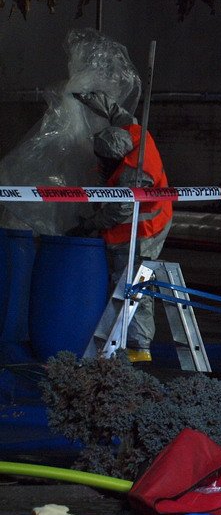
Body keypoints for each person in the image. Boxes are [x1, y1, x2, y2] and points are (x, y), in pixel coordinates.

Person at [72, 92, 173, 364]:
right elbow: (117, 111)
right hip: (137, 219)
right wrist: (92, 97)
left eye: (105, 162)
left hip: (145, 228)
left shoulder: (135, 174)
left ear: (117, 158)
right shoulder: (134, 132)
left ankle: (139, 347)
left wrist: (88, 227)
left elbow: (117, 212)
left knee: (132, 281)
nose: (101, 166)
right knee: (126, 282)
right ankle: (124, 338)